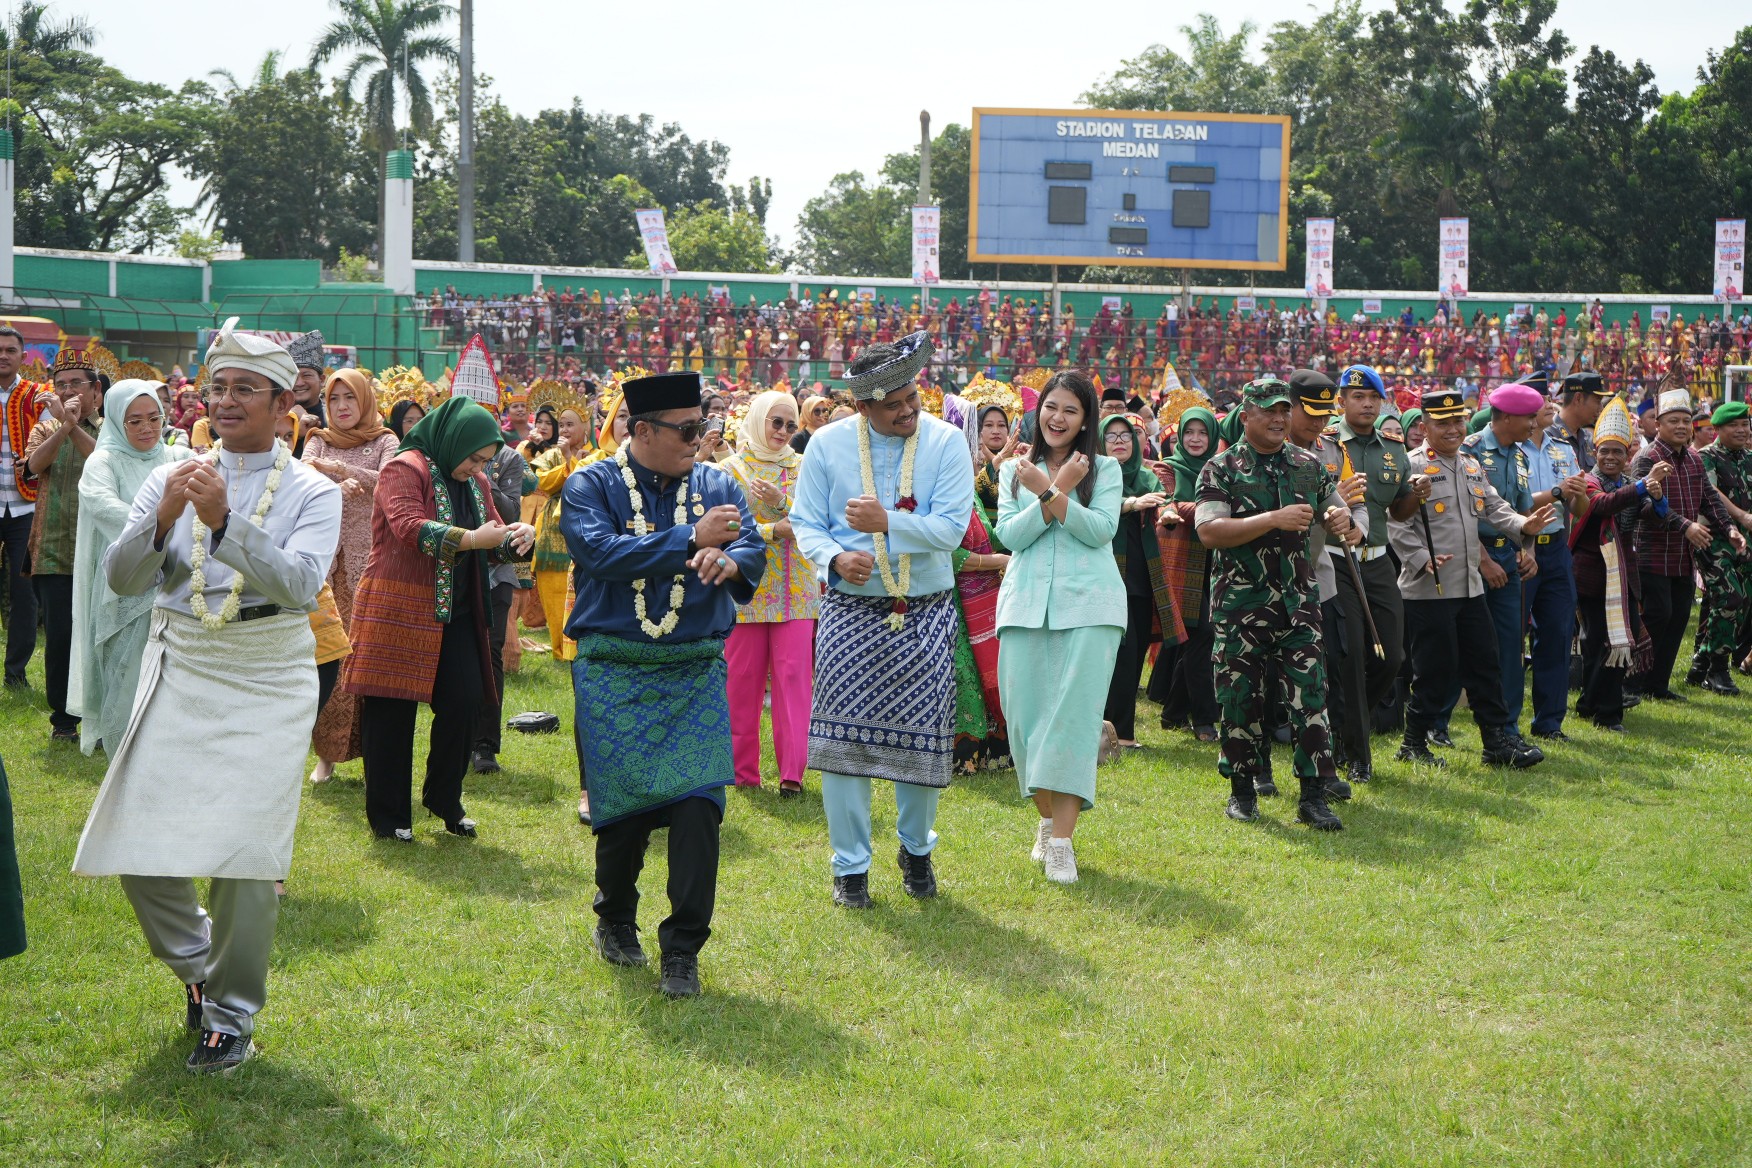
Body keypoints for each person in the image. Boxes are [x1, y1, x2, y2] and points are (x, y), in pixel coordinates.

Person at [71, 319, 342, 1073]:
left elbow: (296, 588)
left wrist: (223, 521)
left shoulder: (317, 491)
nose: (225, 401)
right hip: (182, 660)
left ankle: (231, 1017)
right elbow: (123, 580)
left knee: (244, 858)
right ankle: (201, 972)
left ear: (283, 402)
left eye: (244, 389)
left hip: (267, 671)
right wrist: (164, 518)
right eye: (217, 387)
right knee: (138, 843)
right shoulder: (168, 476)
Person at [561, 370, 767, 998]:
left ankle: (683, 949)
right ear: (641, 430)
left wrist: (730, 560)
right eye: (686, 429)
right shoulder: (590, 485)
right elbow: (599, 554)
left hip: (692, 670)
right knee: (621, 810)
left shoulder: (717, 484)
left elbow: (752, 546)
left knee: (700, 805)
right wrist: (688, 541)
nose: (698, 439)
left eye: (703, 426)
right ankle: (616, 918)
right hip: (614, 667)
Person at [791, 333, 974, 909]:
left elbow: (950, 529)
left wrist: (886, 521)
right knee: (843, 744)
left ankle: (916, 851)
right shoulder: (827, 446)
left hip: (924, 609)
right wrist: (833, 558)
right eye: (892, 403)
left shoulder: (945, 443)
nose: (907, 410)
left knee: (921, 741)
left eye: (911, 397)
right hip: (850, 607)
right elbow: (805, 522)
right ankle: (850, 868)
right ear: (862, 406)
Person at [342, 398, 535, 841]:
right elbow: (408, 526)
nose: (478, 467)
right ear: (455, 442)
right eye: (474, 458)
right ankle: (390, 818)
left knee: (466, 703)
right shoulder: (404, 468)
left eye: (485, 460)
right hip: (399, 607)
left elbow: (491, 536)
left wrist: (515, 538)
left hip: (459, 611)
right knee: (391, 713)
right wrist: (471, 538)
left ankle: (443, 799)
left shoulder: (475, 482)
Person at [1195, 378, 1354, 830]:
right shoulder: (1221, 468)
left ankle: (1313, 796)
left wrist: (1343, 519)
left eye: (1285, 410)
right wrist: (1271, 520)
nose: (1280, 419)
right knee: (1240, 699)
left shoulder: (1308, 464)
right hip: (1241, 606)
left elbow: (1338, 514)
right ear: (1245, 416)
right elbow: (1209, 531)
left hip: (1299, 604)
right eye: (1269, 411)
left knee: (1311, 699)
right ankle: (1243, 792)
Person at [995, 372, 1124, 883]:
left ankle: (1064, 844)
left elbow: (1100, 532)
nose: (1058, 418)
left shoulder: (1107, 469)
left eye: (1071, 410)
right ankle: (1047, 823)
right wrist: (1052, 490)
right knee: (1025, 727)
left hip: (1091, 608)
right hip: (1025, 606)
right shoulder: (1013, 472)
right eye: (1052, 406)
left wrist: (1052, 492)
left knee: (1071, 724)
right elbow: (1011, 536)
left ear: (1086, 418)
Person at [1390, 388, 1553, 770]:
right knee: (1435, 668)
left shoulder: (1469, 463)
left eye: (1458, 421)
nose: (1452, 429)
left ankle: (1496, 740)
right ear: (1425, 425)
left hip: (1469, 586)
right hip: (1429, 589)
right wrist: (1420, 558)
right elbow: (1395, 523)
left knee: (1485, 661)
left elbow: (1494, 506)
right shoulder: (1411, 465)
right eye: (1442, 423)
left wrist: (1523, 524)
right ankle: (1413, 742)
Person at [69, 380, 192, 755]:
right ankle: (124, 751)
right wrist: (161, 523)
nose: (146, 429)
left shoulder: (172, 459)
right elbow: (104, 507)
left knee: (173, 673)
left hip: (174, 581)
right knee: (126, 671)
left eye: (154, 418)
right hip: (123, 584)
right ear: (118, 423)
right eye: (134, 421)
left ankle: (168, 750)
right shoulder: (103, 462)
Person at [301, 369, 399, 780]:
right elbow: (302, 479)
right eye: (334, 399)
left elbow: (392, 483)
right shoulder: (317, 440)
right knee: (327, 655)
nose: (341, 407)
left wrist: (340, 471)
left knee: (367, 658)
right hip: (325, 564)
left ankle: (373, 751)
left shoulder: (386, 440)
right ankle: (326, 754)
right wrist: (328, 478)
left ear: (365, 401)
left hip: (370, 564)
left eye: (349, 399)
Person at [721, 390, 818, 796]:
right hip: (746, 590)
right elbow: (724, 528)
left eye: (790, 424)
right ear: (758, 420)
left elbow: (819, 520)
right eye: (775, 422)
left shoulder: (807, 466)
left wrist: (782, 503)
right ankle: (743, 773)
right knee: (741, 681)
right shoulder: (730, 470)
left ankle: (792, 774)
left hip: (796, 592)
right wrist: (771, 530)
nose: (782, 431)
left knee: (795, 680)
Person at [1324, 365, 1417, 784]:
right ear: (1341, 401)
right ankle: (1357, 754)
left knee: (1393, 654)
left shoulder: (1394, 449)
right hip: (1337, 559)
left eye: (1373, 398)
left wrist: (1415, 496)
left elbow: (1398, 510)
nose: (1365, 404)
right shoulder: (1324, 445)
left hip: (1379, 560)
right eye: (1357, 397)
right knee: (1353, 655)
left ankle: (1346, 721)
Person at [1630, 387, 1744, 701]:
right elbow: (1641, 508)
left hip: (1683, 556)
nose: (1681, 426)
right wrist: (1685, 525)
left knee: (1679, 617)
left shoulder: (1693, 458)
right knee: (1657, 616)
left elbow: (1710, 500)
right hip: (1652, 554)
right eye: (1673, 421)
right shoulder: (1647, 458)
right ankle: (1635, 683)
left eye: (1685, 421)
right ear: (1658, 425)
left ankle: (1657, 685)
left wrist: (1730, 529)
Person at [1459, 383, 1547, 748]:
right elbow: (1461, 516)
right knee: (1463, 643)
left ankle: (1507, 728)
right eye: (1529, 417)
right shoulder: (1470, 452)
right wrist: (1482, 560)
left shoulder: (1521, 455)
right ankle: (1435, 725)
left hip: (1508, 559)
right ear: (1507, 417)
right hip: (1470, 556)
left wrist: (1529, 551)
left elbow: (1524, 512)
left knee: (1511, 646)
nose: (1534, 423)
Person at [24, 347, 105, 740]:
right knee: (59, 637)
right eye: (60, 385)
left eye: (76, 384)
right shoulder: (43, 427)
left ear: (96, 393)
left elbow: (104, 462)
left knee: (101, 632)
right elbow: (35, 466)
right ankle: (64, 720)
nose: (68, 390)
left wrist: (73, 425)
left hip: (103, 550)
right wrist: (61, 426)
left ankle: (103, 711)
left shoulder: (111, 429)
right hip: (54, 548)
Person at [1571, 397, 1663, 731]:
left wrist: (1657, 499)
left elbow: (1647, 516)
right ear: (1595, 453)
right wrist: (1642, 486)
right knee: (1605, 643)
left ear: (1627, 456)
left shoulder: (1628, 485)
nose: (1610, 458)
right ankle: (1606, 712)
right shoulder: (1588, 482)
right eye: (1604, 452)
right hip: (1593, 576)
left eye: (1618, 452)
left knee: (1609, 643)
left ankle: (1592, 705)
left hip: (1624, 575)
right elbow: (1604, 507)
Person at [1098, 413, 1179, 750]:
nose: (1119, 441)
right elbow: (1092, 505)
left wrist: (1168, 513)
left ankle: (1121, 731)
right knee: (1118, 653)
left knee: (1136, 651)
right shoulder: (1095, 474)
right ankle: (1113, 730)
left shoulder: (1146, 476)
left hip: (1143, 577)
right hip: (1107, 574)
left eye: (1125, 435)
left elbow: (1163, 502)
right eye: (1112, 435)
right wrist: (1131, 504)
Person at [1517, 394, 1585, 739]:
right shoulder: (1504, 449)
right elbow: (1511, 503)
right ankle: (1504, 721)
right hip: (1519, 548)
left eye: (1548, 398)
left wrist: (1579, 491)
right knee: (1513, 636)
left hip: (1555, 548)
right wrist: (1559, 491)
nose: (1548, 404)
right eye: (1538, 399)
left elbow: (1577, 508)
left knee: (1558, 634)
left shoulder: (1562, 448)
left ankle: (1549, 722)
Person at [1153, 406, 1221, 741]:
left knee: (1199, 636)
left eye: (1202, 432)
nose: (1196, 439)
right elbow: (1167, 501)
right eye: (1189, 432)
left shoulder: (1220, 466)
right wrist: (1215, 510)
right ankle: (1205, 720)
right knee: (1202, 634)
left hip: (1219, 560)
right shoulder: (1168, 468)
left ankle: (1174, 711)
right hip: (1183, 563)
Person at [473, 418, 529, 773]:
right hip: (456, 567)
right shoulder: (440, 460)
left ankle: (484, 746)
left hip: (497, 572)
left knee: (491, 653)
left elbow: (511, 512)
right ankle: (456, 736)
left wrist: (482, 477)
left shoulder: (508, 458)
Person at [527, 383, 596, 663]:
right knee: (554, 597)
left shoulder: (596, 455)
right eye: (562, 425)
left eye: (570, 425)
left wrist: (572, 461)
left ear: (586, 429)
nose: (565, 431)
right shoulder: (551, 455)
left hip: (586, 535)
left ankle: (581, 648)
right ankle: (559, 650)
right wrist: (566, 463)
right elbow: (540, 481)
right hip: (552, 539)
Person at [1688, 400, 1752, 694]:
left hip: (1745, 542)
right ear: (1717, 429)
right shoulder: (1706, 457)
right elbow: (1710, 491)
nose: (1741, 430)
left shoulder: (1749, 458)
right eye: (1733, 425)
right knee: (1730, 598)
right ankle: (1717, 669)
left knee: (1739, 604)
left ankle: (1701, 662)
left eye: (1744, 424)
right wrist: (1739, 516)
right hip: (1714, 540)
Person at [0, 327, 47, 686]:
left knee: (25, 594)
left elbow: (51, 441)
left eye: (10, 350)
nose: (3, 355)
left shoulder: (37, 396)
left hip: (26, 507)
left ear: (22, 355)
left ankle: (15, 674)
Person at [286, 330, 326, 424]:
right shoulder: (274, 419)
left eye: (307, 375)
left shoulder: (334, 418)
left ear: (322, 380)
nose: (299, 383)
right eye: (294, 376)